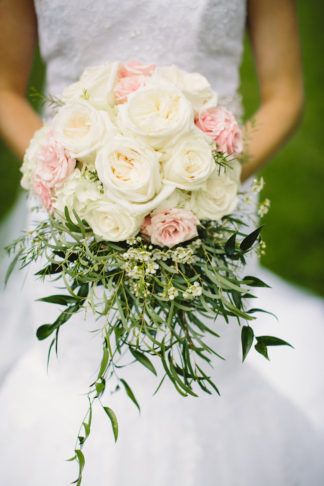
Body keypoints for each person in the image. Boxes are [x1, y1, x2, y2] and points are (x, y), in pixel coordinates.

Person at [0, 1, 324, 485]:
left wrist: (200, 183)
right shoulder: (76, 194)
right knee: (82, 378)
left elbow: (284, 92)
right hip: (74, 215)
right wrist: (81, 185)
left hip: (211, 208)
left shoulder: (209, 190)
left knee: (205, 378)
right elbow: (5, 88)